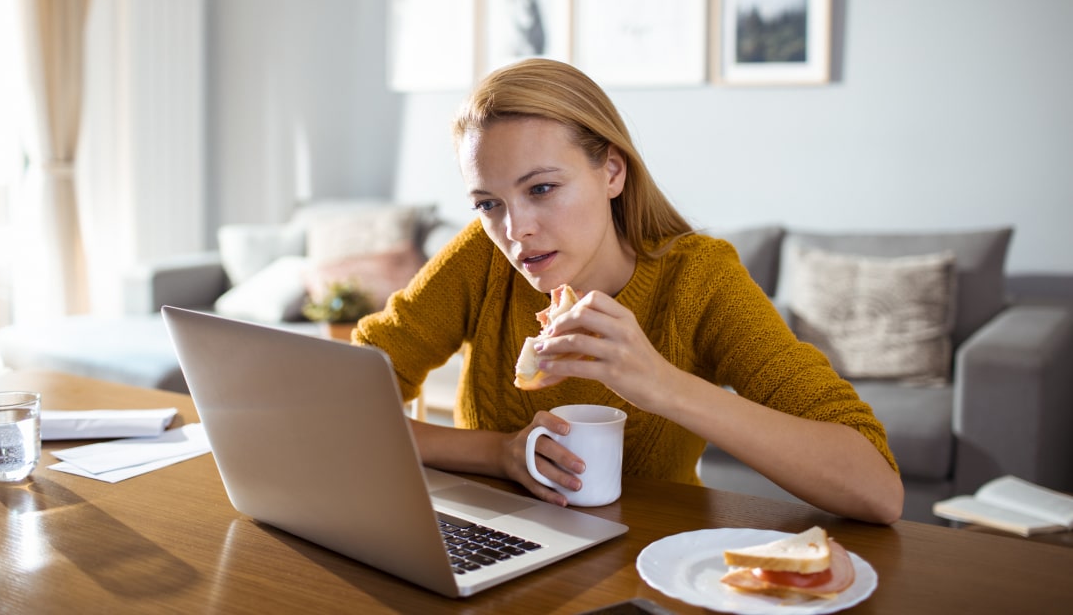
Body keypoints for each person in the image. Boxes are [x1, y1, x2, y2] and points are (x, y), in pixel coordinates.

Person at [355, 58, 903, 525]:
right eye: (487, 203)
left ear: (612, 172)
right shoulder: (481, 255)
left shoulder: (699, 280)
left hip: (646, 563)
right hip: (498, 545)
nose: (515, 228)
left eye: (541, 188)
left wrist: (659, 383)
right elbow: (349, 401)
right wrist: (500, 453)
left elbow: (877, 490)